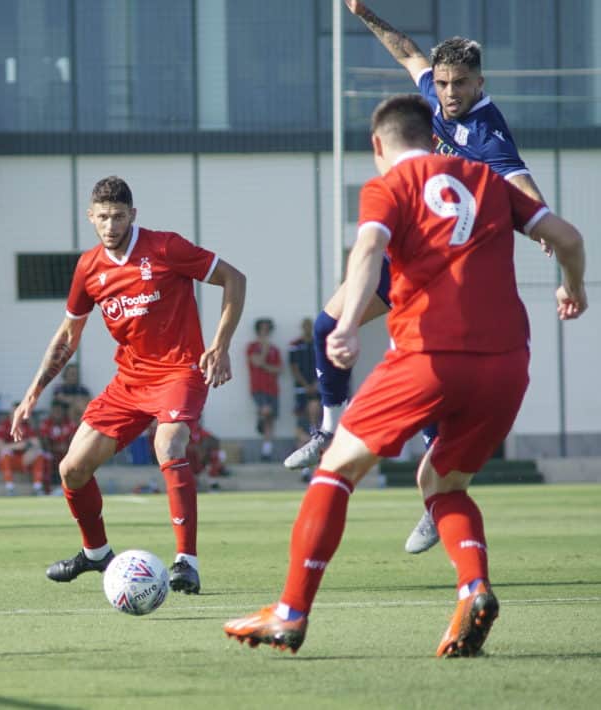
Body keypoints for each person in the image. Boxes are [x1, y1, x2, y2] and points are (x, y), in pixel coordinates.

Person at [224, 94, 587, 658]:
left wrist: (345, 323)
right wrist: (575, 287)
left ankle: (290, 614)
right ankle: (474, 588)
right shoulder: (489, 181)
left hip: (430, 356)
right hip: (508, 364)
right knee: (441, 483)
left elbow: (369, 246)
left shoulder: (388, 186)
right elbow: (569, 239)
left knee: (336, 469)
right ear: (432, 138)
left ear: (378, 145)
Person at [285, 0, 551, 555]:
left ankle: (435, 504)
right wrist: (363, 13)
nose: (450, 93)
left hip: (448, 267)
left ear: (481, 82)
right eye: (446, 82)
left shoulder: (488, 134)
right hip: (408, 248)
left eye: (461, 84)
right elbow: (406, 50)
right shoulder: (432, 94)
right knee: (326, 323)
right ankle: (329, 426)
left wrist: (545, 228)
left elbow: (525, 190)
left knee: (433, 380)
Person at [11, 175, 246, 594]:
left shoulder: (165, 247)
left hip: (180, 371)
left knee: (168, 446)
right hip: (129, 381)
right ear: (91, 217)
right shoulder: (89, 267)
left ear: (132, 215)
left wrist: (220, 345)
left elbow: (235, 279)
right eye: (102, 217)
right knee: (72, 468)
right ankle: (97, 554)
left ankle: (186, 563)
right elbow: (68, 335)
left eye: (118, 216)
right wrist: (33, 393)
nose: (111, 225)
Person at [287, 317, 321, 478]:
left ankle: (313, 465)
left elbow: (322, 364)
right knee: (302, 427)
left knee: (316, 420)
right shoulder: (295, 345)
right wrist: (306, 385)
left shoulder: (318, 343)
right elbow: (293, 367)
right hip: (302, 390)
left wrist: (315, 383)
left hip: (316, 388)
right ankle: (305, 468)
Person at [247, 318, 282, 462]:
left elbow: (278, 369)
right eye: (263, 329)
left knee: (270, 420)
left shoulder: (275, 349)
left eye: (267, 329)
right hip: (258, 387)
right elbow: (256, 361)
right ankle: (260, 419)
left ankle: (266, 450)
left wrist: (264, 365)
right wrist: (265, 351)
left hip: (273, 388)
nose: (265, 332)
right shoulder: (252, 347)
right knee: (266, 411)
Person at [0, 404, 49, 495]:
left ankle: (37, 487)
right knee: (5, 453)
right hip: (7, 461)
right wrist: (18, 445)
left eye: (20, 412)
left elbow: (37, 444)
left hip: (24, 459)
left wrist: (29, 449)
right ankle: (9, 488)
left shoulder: (26, 426)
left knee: (38, 453)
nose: (17, 415)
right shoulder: (4, 426)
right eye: (15, 412)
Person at [39, 399, 77, 494]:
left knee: (76, 460)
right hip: (51, 453)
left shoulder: (70, 424)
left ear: (63, 412)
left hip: (67, 454)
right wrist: (54, 448)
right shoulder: (46, 424)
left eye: (59, 411)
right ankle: (47, 490)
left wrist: (67, 448)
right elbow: (44, 442)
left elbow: (75, 441)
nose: (57, 413)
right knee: (45, 459)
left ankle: (71, 489)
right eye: (55, 411)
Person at [185, 424, 228, 490]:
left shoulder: (201, 432)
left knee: (214, 459)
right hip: (192, 458)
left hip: (204, 459)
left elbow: (212, 439)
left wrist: (204, 452)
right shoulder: (186, 432)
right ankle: (194, 483)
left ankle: (213, 484)